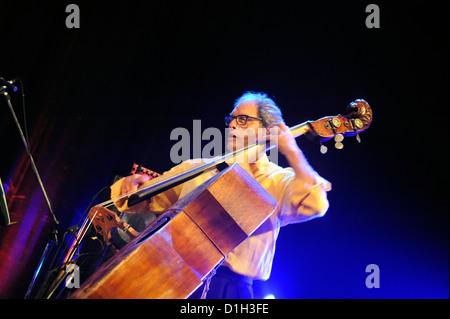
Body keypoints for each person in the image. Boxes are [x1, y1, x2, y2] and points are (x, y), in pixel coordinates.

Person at [110, 91, 331, 298]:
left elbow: (316, 203)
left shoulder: (278, 180)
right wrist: (130, 185)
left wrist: (292, 150)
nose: (232, 124)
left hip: (231, 288)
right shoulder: (198, 168)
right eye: (231, 119)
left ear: (268, 130)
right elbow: (139, 200)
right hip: (174, 278)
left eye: (243, 119)